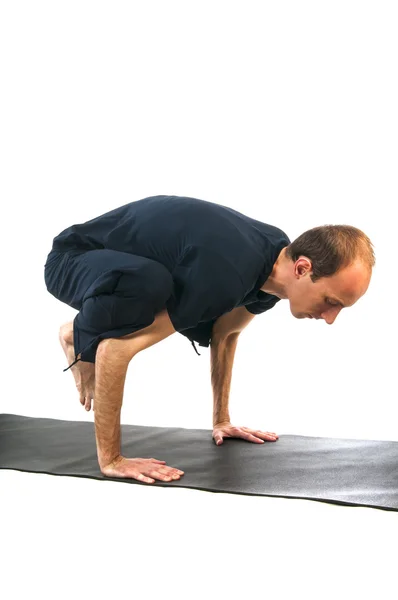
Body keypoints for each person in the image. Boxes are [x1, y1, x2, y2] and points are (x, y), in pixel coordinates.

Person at [44, 194, 375, 484]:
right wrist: (112, 459)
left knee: (203, 321)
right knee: (151, 285)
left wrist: (222, 420)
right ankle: (81, 335)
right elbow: (114, 352)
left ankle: (83, 329)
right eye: (333, 302)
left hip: (124, 268)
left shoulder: (275, 261)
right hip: (72, 259)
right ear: (302, 269)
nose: (331, 318)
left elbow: (225, 335)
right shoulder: (227, 274)